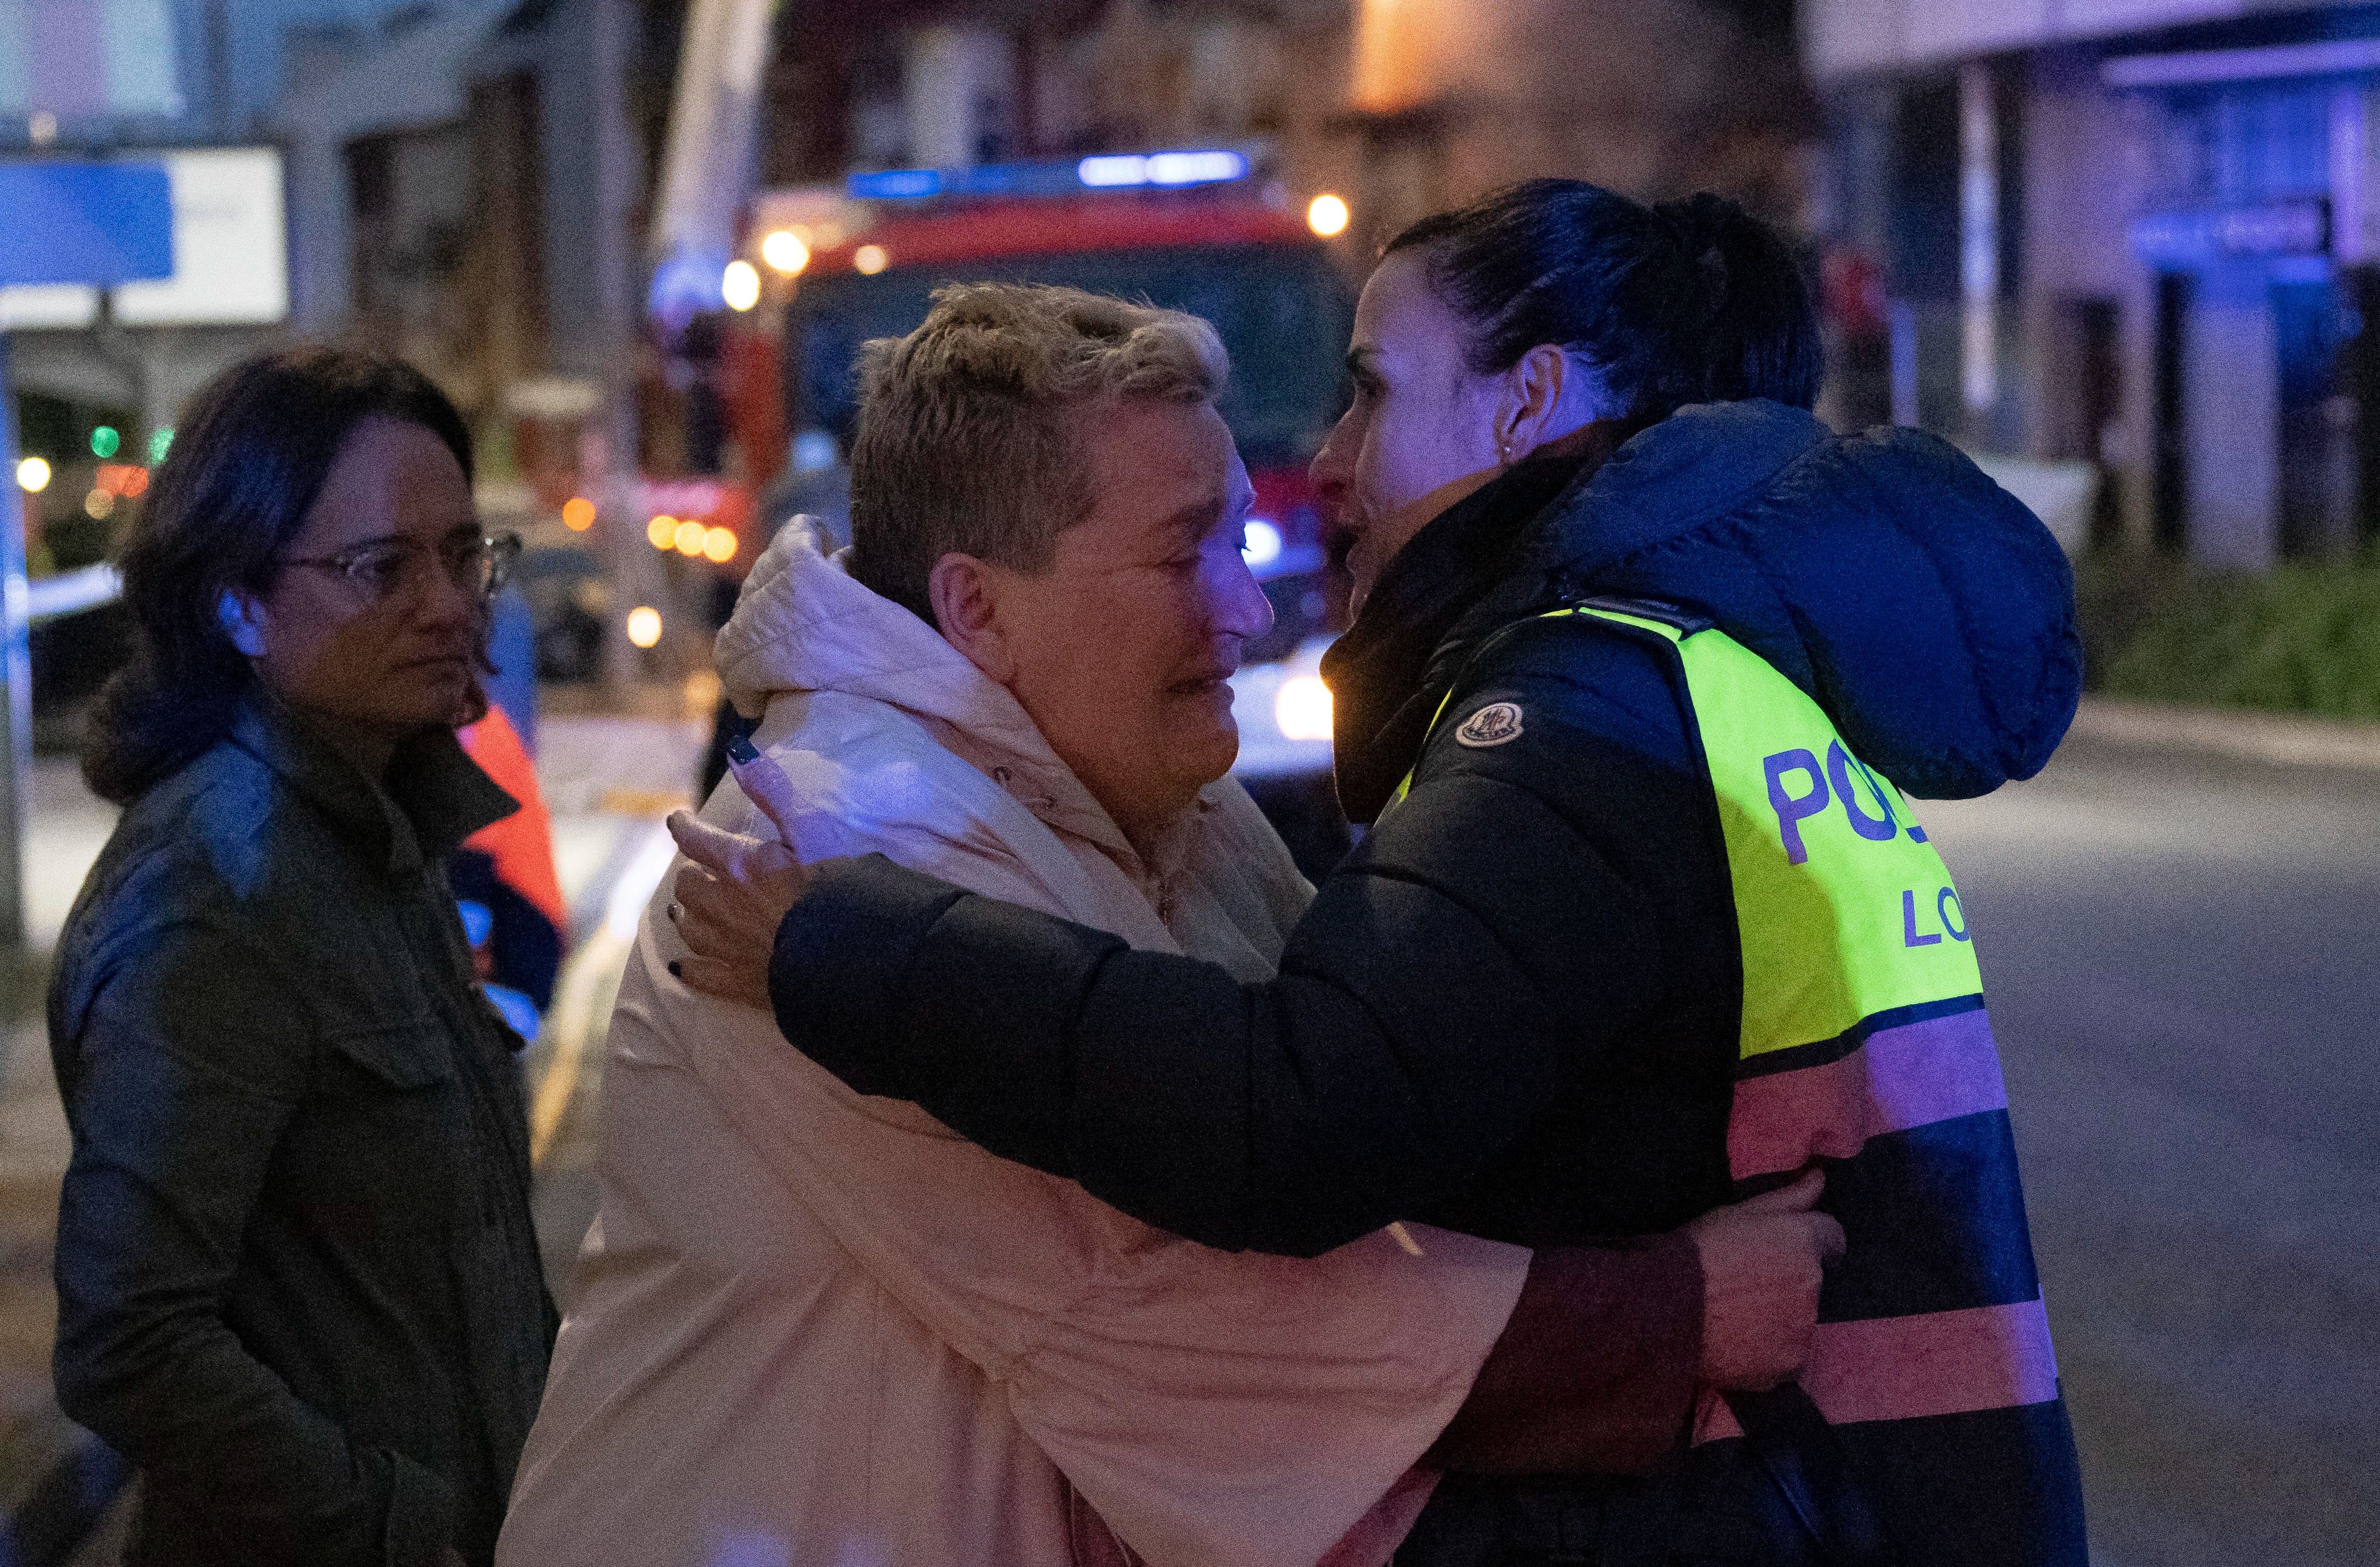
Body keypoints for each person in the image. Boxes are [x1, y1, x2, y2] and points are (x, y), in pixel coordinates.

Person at [674, 181, 2091, 1565]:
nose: (1336, 456)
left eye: (1370, 391)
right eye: (1188, 547)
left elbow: (1294, 1113)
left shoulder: (1575, 713)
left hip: (1791, 1494)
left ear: (1529, 401)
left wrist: (843, 951)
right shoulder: (1690, 673)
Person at [502, 284, 1843, 1567]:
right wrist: (1669, 1315)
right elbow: (1152, 1304)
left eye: (1234, 543)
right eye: (1180, 550)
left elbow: (1324, 1113)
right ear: (980, 606)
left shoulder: (1160, 807)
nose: (1246, 608)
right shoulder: (830, 847)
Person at [50, 346, 556, 1566]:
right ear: (236, 599)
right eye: (381, 566)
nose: (447, 603)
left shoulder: (381, 835)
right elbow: (132, 1342)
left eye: (462, 553)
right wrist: (402, 1525)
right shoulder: (218, 898)